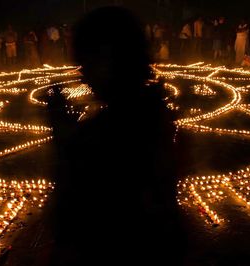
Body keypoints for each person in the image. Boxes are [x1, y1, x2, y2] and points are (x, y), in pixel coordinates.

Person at [49, 6, 186, 266]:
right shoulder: (153, 113)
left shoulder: (121, 127)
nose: (82, 74)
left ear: (113, 60)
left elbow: (76, 216)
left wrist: (65, 140)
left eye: (87, 62)